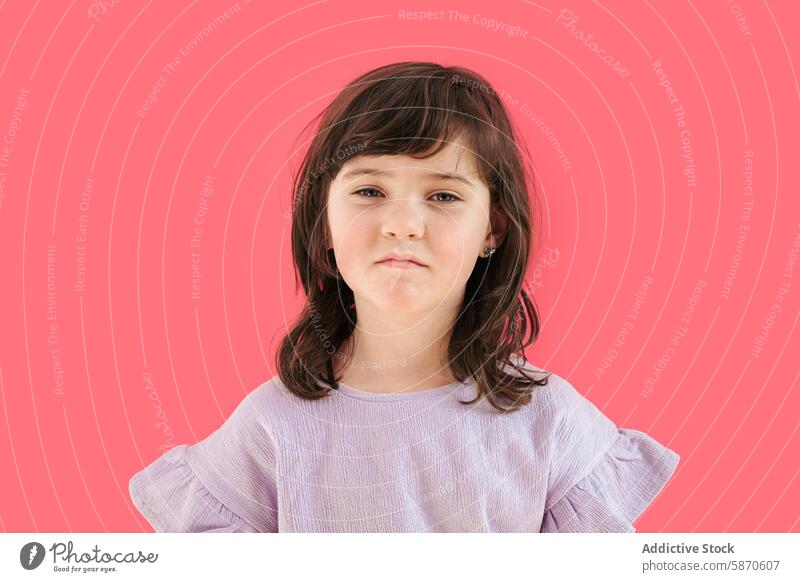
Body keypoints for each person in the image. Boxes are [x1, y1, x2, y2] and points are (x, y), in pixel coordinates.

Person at [129, 61, 679, 533]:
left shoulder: (548, 422)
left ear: (494, 230)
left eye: (442, 195)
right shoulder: (273, 426)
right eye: (370, 191)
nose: (402, 224)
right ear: (323, 222)